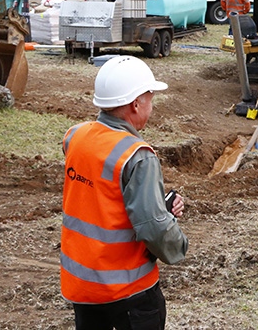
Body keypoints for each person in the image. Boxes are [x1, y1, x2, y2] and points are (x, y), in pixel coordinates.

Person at [60, 55, 189, 330]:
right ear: (135, 104)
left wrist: (158, 206)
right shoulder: (138, 156)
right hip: (128, 293)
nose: (151, 106)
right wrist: (177, 244)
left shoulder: (75, 136)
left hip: (83, 287)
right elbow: (154, 228)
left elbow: (103, 197)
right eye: (150, 98)